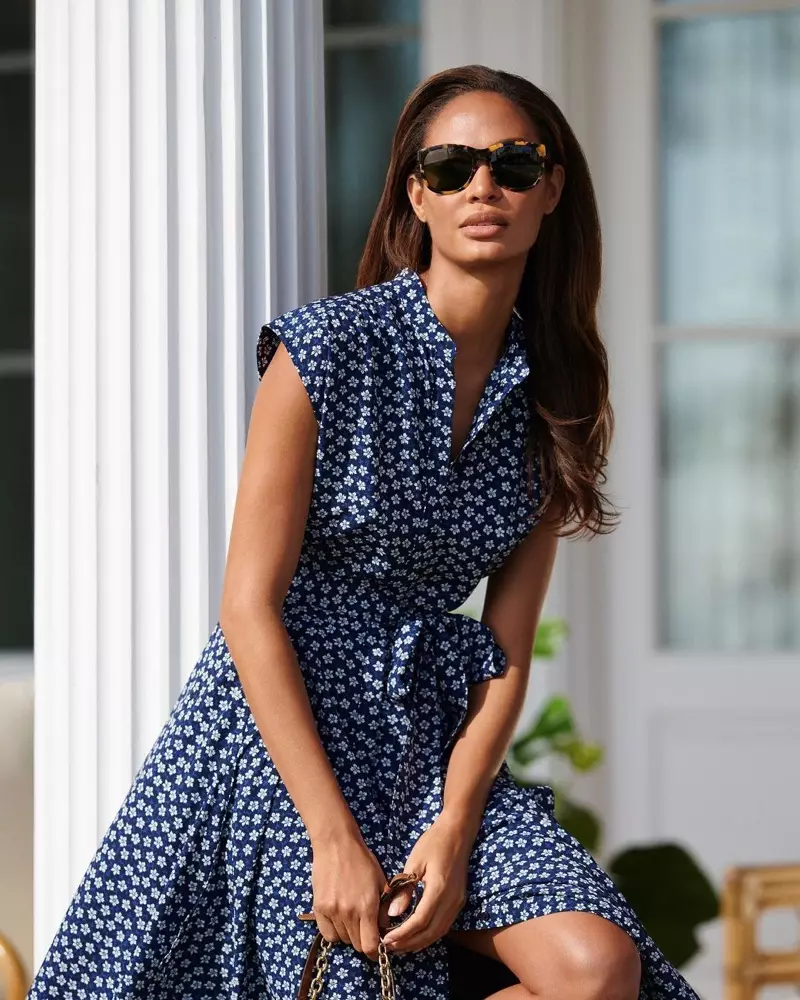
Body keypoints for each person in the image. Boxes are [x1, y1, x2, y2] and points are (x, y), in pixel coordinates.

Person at [27, 64, 700, 1000]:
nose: (483, 187)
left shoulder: (559, 394)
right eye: (453, 165)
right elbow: (248, 608)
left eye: (513, 164)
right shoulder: (325, 352)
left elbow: (506, 650)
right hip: (284, 735)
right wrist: (331, 838)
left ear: (552, 189)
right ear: (414, 192)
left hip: (433, 741)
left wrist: (456, 827)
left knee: (597, 968)